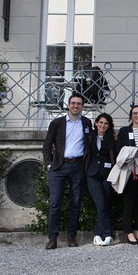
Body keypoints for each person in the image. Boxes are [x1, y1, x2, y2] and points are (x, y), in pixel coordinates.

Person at [43, 93, 92, 249]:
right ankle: (53, 237)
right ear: (68, 105)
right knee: (55, 202)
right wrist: (49, 164)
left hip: (77, 166)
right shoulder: (57, 123)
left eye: (79, 104)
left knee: (75, 202)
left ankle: (72, 235)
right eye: (73, 103)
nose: (75, 106)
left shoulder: (86, 123)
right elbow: (47, 145)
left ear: (82, 106)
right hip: (58, 166)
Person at [116, 105, 138, 245]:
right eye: (134, 113)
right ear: (131, 116)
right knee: (129, 202)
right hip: (130, 172)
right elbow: (120, 149)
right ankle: (129, 231)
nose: (137, 115)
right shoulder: (124, 131)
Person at [86, 113, 116, 246]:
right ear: (96, 123)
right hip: (92, 174)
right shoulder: (89, 136)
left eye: (106, 123)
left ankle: (98, 234)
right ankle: (108, 234)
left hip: (108, 175)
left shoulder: (112, 139)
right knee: (100, 202)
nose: (103, 125)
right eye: (101, 122)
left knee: (105, 204)